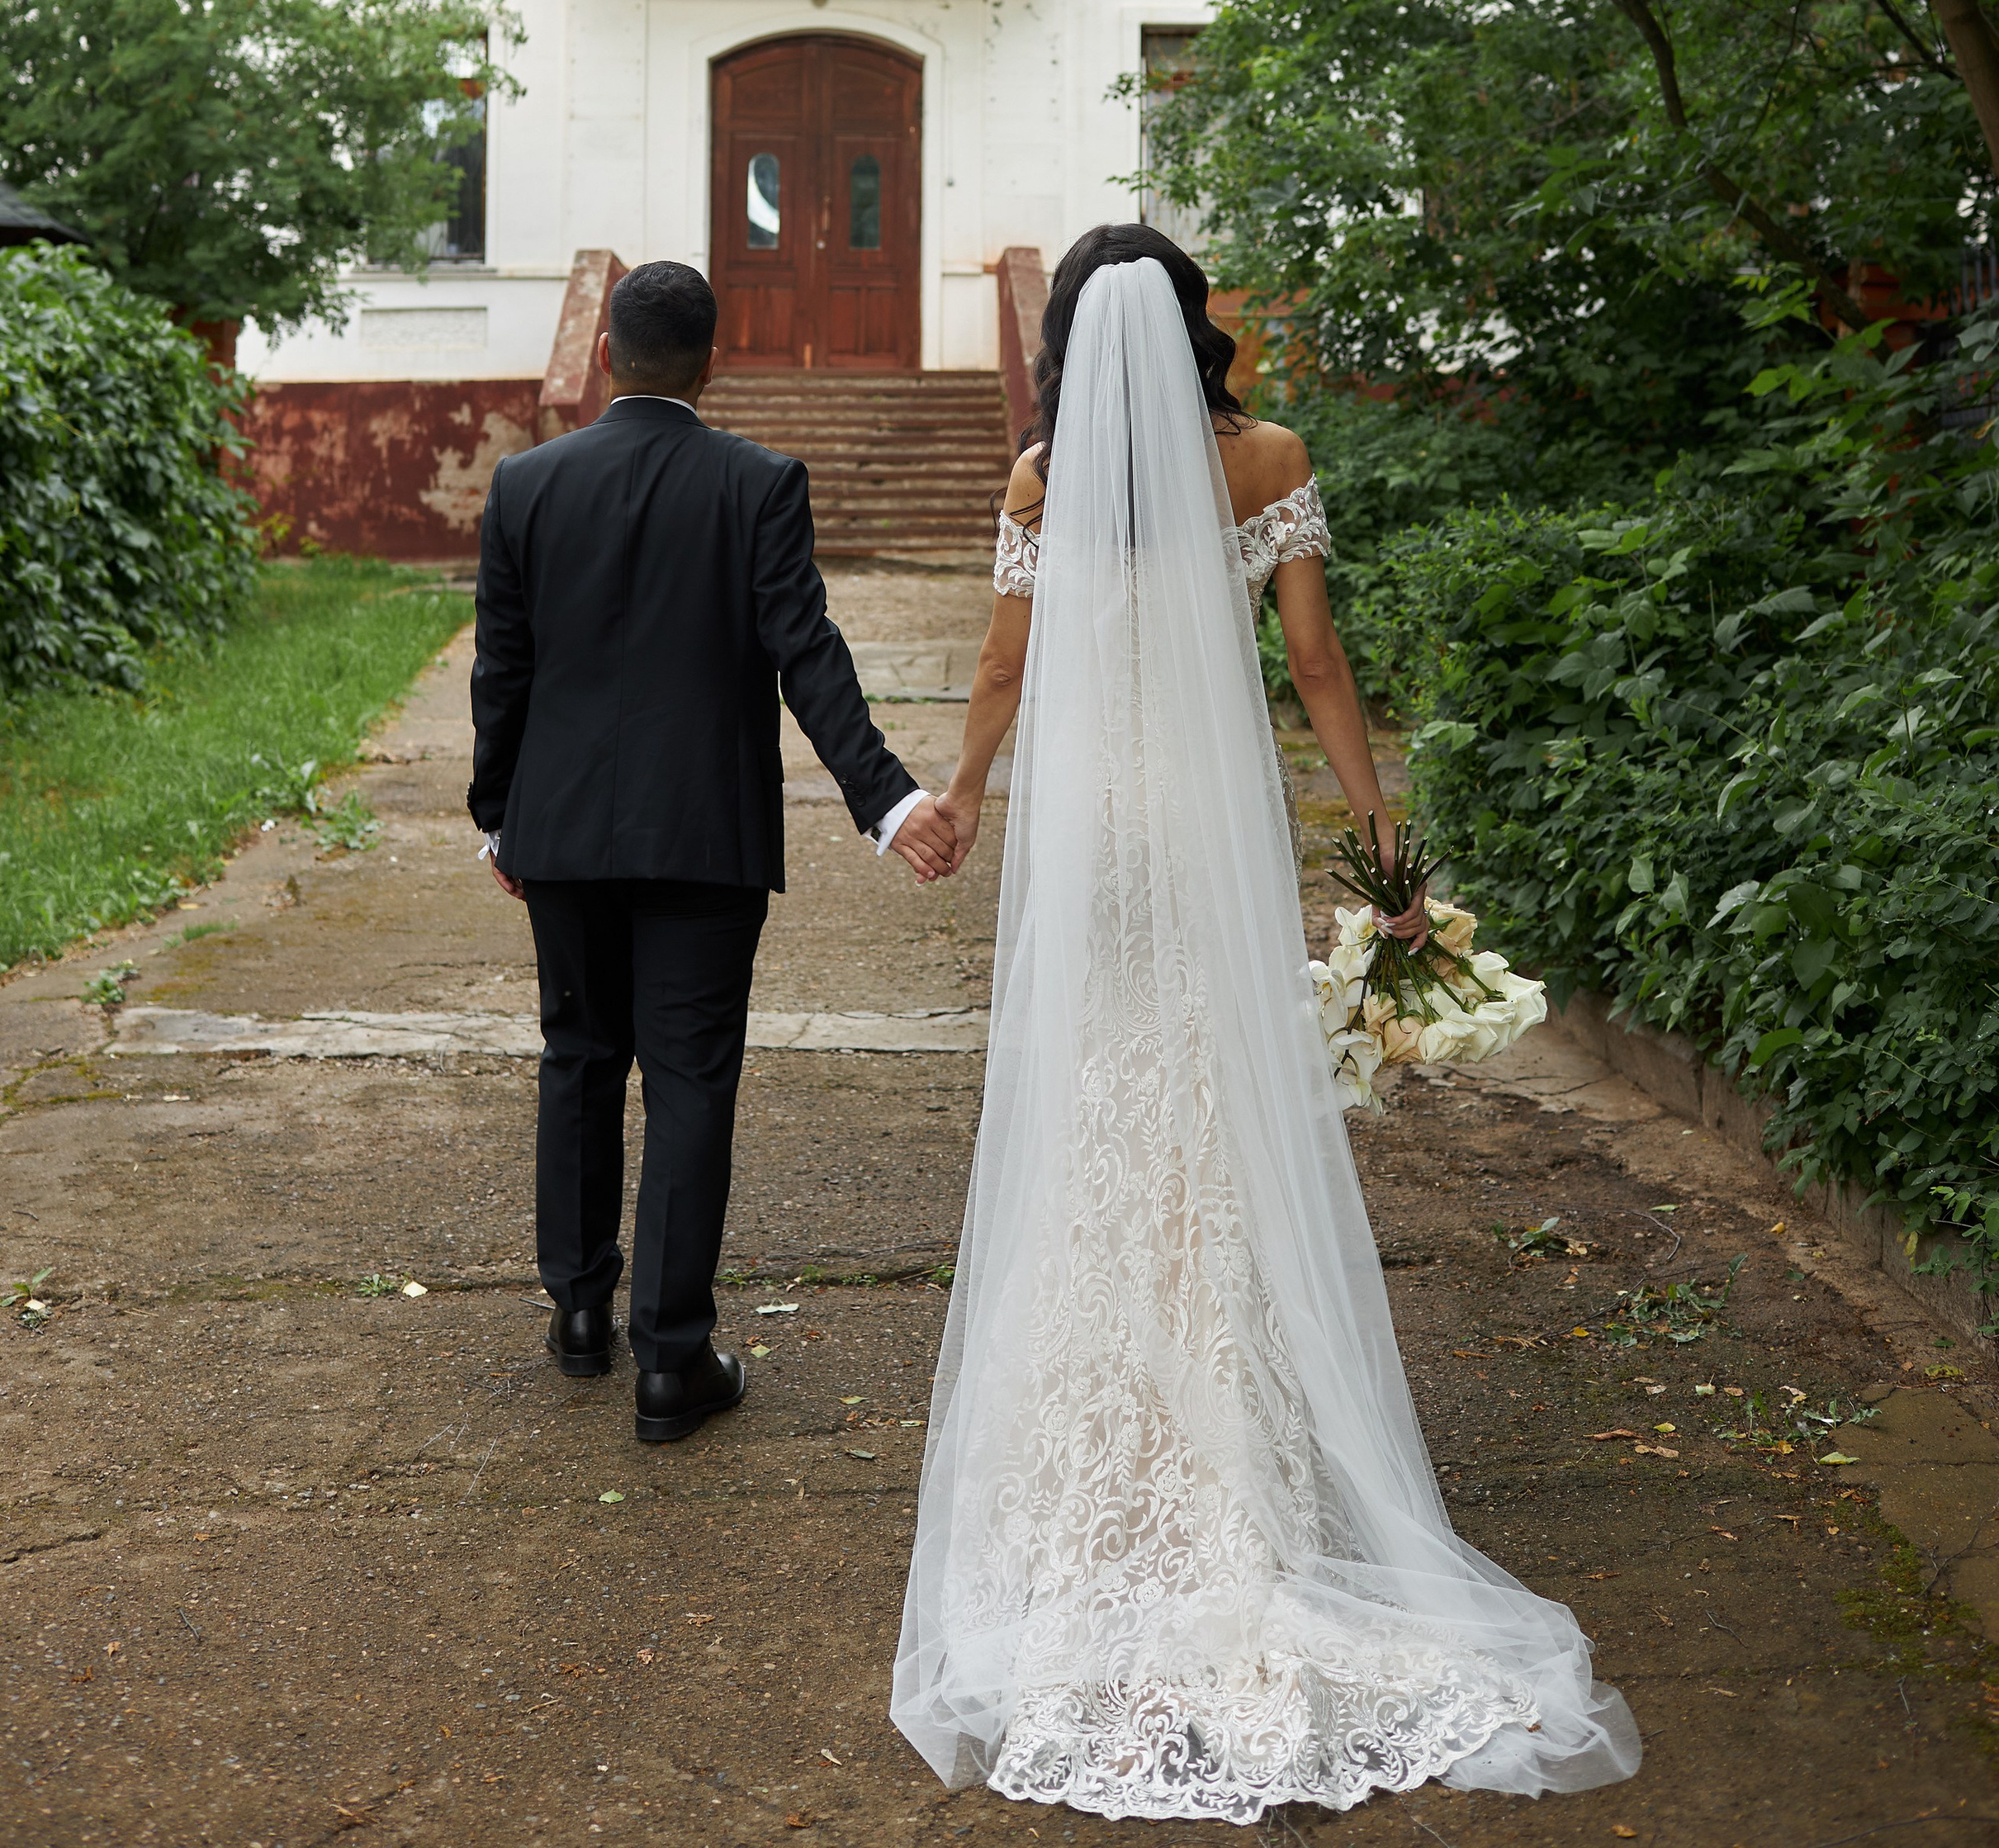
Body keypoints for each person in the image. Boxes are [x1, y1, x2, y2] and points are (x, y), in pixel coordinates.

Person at [892, 225, 1641, 1819]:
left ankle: (1103, 1469)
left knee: (1099, 1104)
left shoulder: (1040, 481)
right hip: (1210, 829)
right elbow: (1313, 660)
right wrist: (1385, 846)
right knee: (1209, 1111)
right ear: (1198, 329)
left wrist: (959, 794)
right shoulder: (1271, 459)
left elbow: (1007, 669)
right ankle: (1232, 1461)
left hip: (1097, 831)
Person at [468, 258, 960, 1444]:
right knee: (688, 1081)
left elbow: (505, 669)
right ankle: (669, 1363)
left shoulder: (525, 483)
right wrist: (887, 803)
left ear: (604, 359)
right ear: (712, 363)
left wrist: (499, 815)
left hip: (565, 832)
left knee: (579, 1056)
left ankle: (580, 1314)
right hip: (705, 837)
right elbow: (809, 653)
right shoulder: (757, 483)